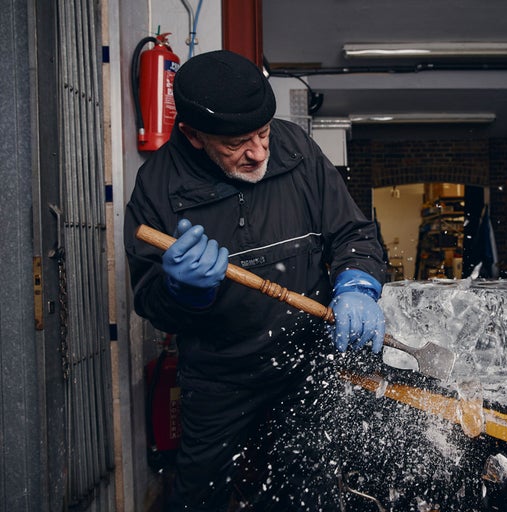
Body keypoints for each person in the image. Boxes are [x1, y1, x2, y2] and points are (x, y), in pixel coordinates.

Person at [124, 49, 387, 511]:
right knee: (198, 494)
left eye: (263, 133)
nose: (259, 152)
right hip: (219, 375)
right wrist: (181, 290)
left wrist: (357, 285)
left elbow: (353, 232)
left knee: (308, 491)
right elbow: (147, 299)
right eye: (237, 143)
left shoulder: (296, 149)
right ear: (191, 134)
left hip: (305, 364)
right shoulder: (158, 185)